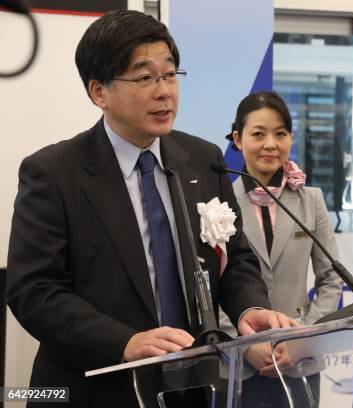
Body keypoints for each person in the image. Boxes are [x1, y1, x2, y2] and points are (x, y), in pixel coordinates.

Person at [6, 10, 294, 407]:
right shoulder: (53, 172)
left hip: (192, 386)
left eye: (170, 74)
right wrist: (123, 342)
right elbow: (34, 291)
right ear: (99, 92)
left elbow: (236, 258)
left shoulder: (201, 158)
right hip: (95, 390)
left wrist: (250, 307)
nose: (164, 91)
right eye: (145, 77)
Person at [220, 91, 343, 407]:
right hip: (240, 364)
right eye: (258, 134)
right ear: (237, 138)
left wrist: (301, 339)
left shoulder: (311, 200)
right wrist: (246, 344)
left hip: (300, 360)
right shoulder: (217, 204)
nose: (270, 144)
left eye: (280, 134)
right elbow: (209, 289)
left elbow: (331, 279)